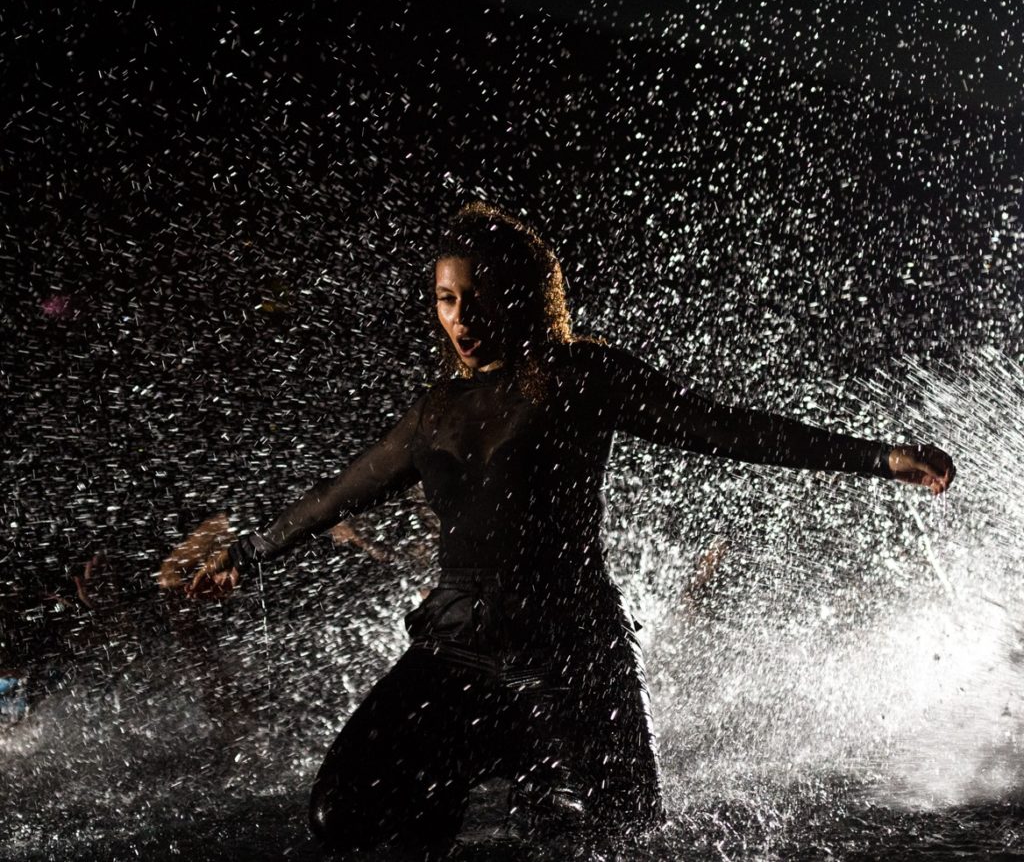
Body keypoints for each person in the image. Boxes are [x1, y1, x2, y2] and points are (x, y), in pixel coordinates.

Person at [186, 202, 955, 859]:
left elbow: (728, 429)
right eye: (447, 300)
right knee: (342, 810)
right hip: (456, 650)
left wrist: (880, 457)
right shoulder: (434, 410)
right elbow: (334, 494)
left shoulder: (581, 375)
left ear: (519, 295)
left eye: (477, 298)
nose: (462, 319)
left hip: (567, 652)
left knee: (622, 838)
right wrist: (247, 554)